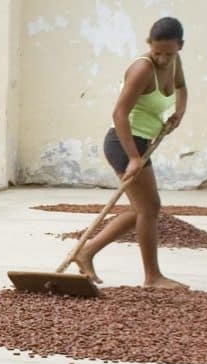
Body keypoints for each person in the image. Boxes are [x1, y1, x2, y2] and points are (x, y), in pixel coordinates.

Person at [74, 17, 191, 290]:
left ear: (180, 47)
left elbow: (182, 87)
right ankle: (152, 277)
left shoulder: (174, 62)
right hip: (123, 143)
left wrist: (179, 113)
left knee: (145, 208)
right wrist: (134, 158)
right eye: (157, 52)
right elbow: (119, 113)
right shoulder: (142, 68)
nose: (162, 59)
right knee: (149, 209)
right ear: (149, 45)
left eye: (169, 53)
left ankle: (87, 251)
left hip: (142, 142)